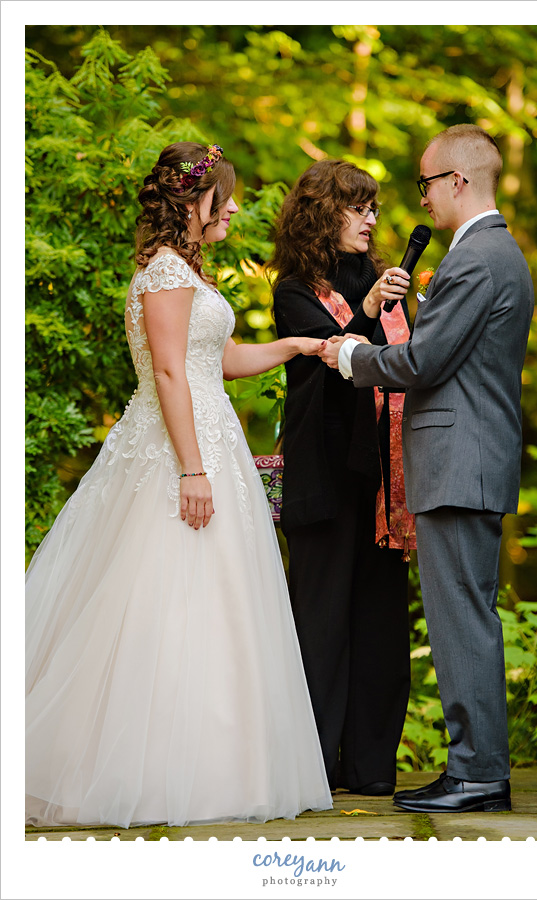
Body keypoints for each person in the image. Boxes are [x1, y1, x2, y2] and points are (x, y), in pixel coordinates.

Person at [25, 141, 333, 828]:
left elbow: (218, 360)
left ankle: (216, 768)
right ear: (195, 203)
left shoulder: (187, 274)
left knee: (216, 606)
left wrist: (298, 347)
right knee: (161, 603)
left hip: (209, 443)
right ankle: (141, 771)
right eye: (225, 196)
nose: (235, 208)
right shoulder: (165, 275)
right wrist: (192, 469)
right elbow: (168, 372)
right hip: (178, 455)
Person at [320, 125, 534, 813]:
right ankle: (472, 767)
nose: (422, 197)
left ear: (458, 182)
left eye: (426, 183)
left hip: (459, 462)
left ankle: (477, 775)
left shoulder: (478, 258)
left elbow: (423, 363)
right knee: (462, 618)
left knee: (461, 621)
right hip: (467, 459)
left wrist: (352, 357)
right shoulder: (491, 255)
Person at [269, 159, 415, 796]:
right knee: (321, 621)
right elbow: (330, 365)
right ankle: (315, 770)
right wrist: (366, 309)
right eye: (358, 207)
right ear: (322, 212)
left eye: (374, 208)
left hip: (382, 474)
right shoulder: (294, 290)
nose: (371, 220)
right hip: (324, 476)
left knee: (381, 621)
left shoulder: (379, 281)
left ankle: (371, 768)